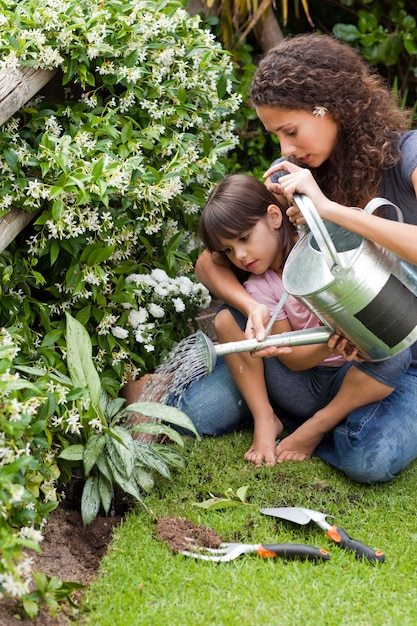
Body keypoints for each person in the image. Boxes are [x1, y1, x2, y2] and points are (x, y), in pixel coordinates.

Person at [123, 32, 417, 484]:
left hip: (398, 352)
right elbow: (210, 263)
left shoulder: (408, 158)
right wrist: (252, 307)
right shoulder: (310, 175)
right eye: (275, 134)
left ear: (329, 106)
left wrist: (333, 212)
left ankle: (318, 419)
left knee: (370, 457)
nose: (284, 148)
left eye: (290, 130)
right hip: (315, 360)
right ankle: (279, 407)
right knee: (198, 414)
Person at [198, 173, 410, 468]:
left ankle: (317, 426)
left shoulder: (320, 245)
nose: (241, 255)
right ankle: (265, 419)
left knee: (396, 356)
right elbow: (294, 361)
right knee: (224, 320)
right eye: (229, 250)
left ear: (274, 217)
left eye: (244, 238)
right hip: (299, 386)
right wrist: (329, 346)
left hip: (347, 381)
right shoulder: (261, 286)